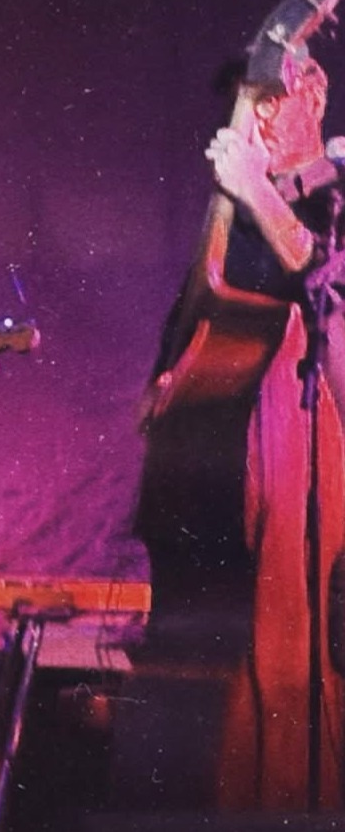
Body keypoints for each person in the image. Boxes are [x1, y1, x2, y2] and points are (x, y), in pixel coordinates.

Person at [129, 51, 345, 809]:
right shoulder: (236, 211)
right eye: (247, 105)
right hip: (223, 479)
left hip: (298, 452)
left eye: (270, 99)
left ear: (314, 93)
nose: (255, 120)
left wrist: (255, 190)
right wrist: (165, 378)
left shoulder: (335, 194)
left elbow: (328, 287)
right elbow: (203, 321)